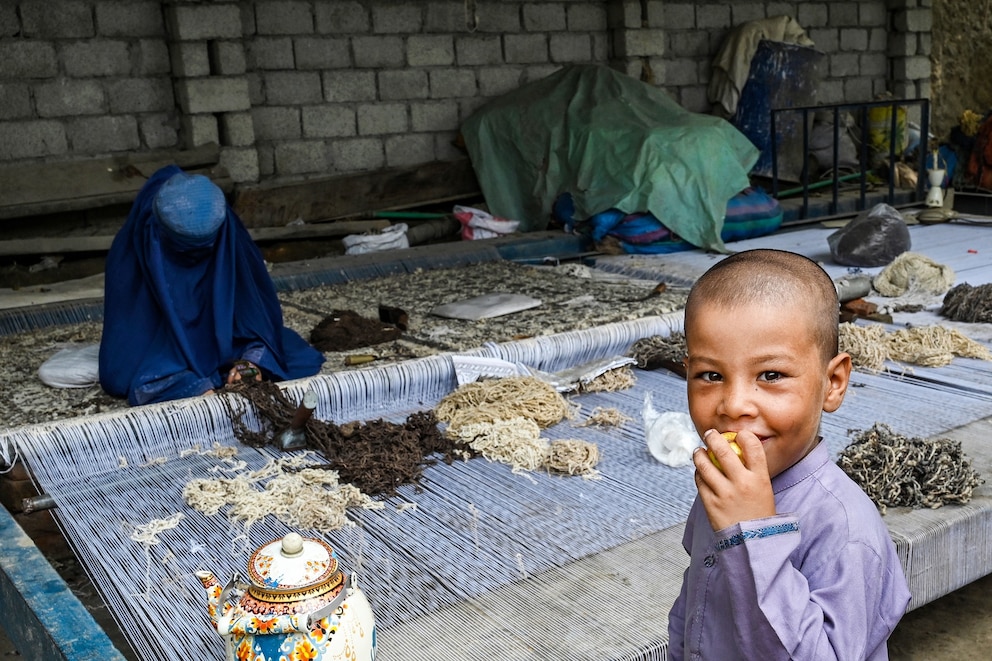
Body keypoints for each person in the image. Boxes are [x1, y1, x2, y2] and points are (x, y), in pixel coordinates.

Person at [667, 249, 910, 660]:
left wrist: (755, 535)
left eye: (771, 375)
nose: (735, 404)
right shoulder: (726, 486)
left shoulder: (845, 533)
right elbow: (697, 600)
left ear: (832, 383)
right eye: (711, 375)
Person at [99, 165, 324, 405]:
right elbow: (126, 363)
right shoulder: (133, 257)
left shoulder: (231, 245)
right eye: (183, 253)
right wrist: (192, 388)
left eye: (205, 252)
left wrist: (251, 363)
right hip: (161, 341)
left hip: (223, 339)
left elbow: (256, 319)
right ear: (158, 234)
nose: (195, 263)